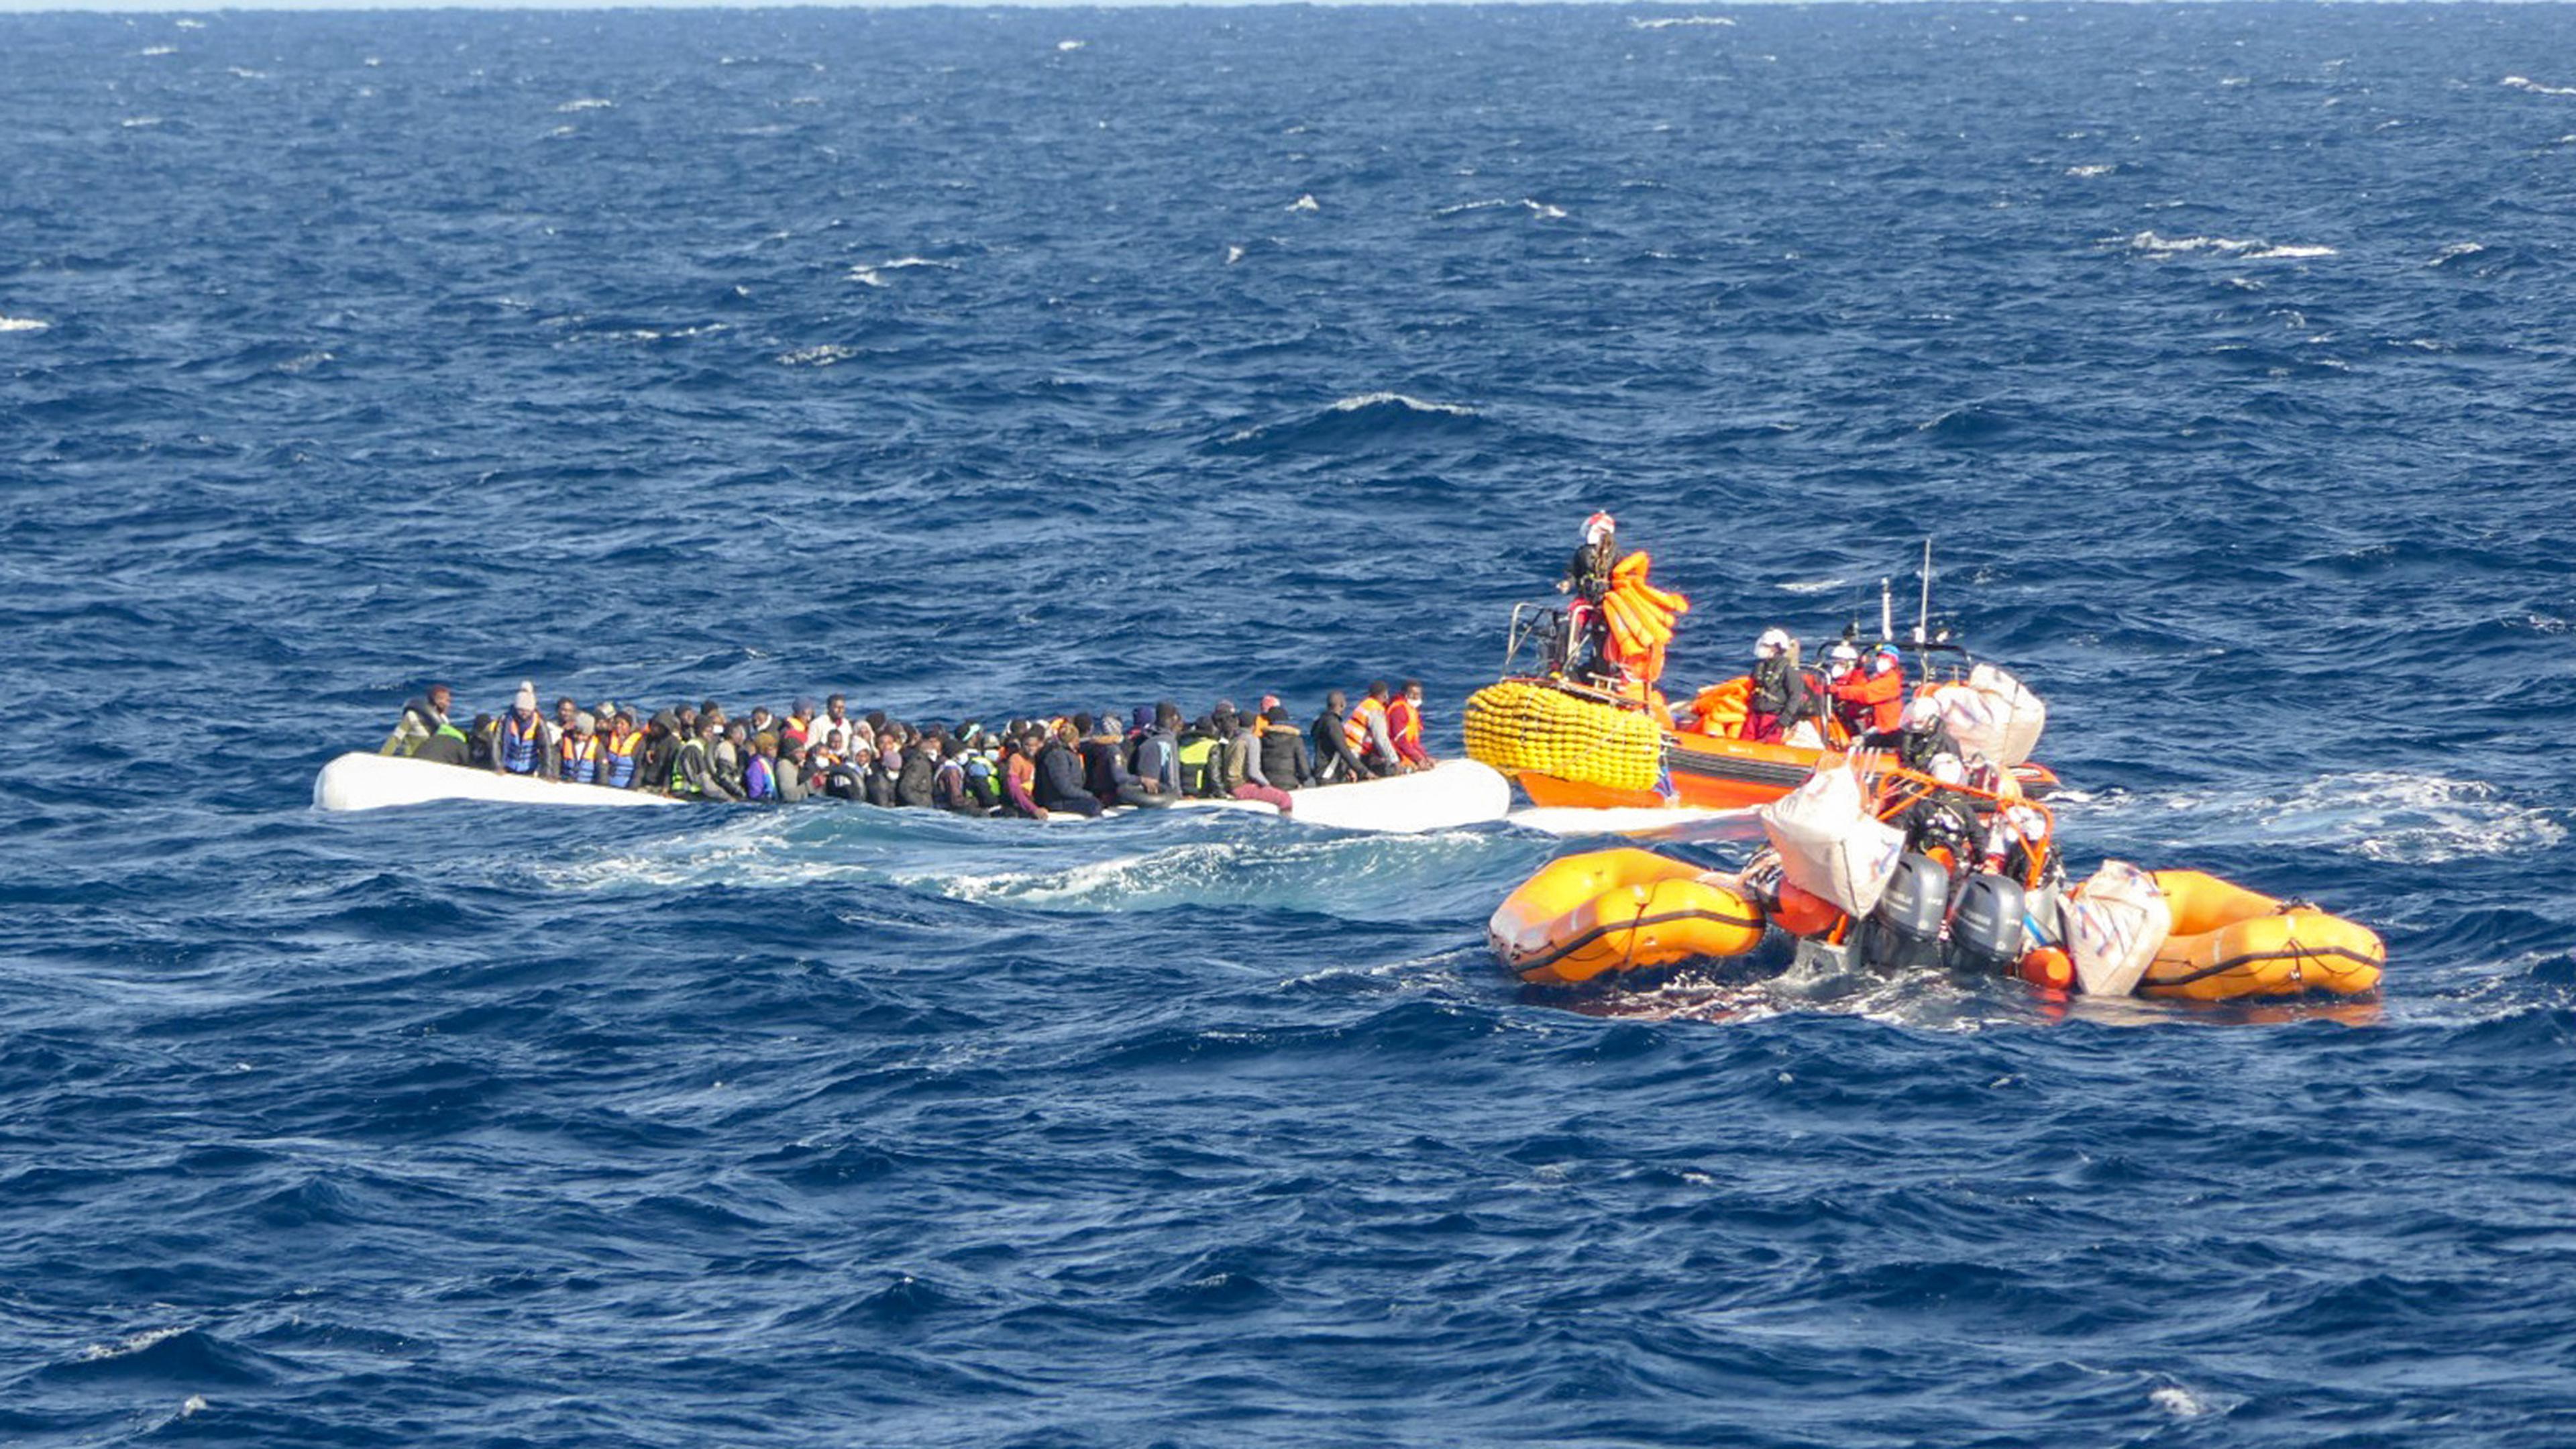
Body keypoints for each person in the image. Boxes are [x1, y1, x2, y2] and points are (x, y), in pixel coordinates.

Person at [1556, 512, 1617, 677]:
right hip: (1584, 599)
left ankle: (1603, 672)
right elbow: (1574, 573)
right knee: (1571, 627)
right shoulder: (1582, 553)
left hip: (1604, 603)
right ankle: (1565, 665)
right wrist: (1568, 583)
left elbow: (1621, 576)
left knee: (1602, 635)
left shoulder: (1615, 554)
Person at [1742, 630, 1813, 745]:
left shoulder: (1788, 671)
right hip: (1755, 716)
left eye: (1766, 646)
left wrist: (1785, 719)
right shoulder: (1760, 667)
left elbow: (1796, 696)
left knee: (1768, 747)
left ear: (1776, 648)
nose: (1762, 649)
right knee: (1745, 743)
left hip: (1773, 719)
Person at [1829, 643, 1906, 740]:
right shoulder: (1879, 677)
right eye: (1879, 658)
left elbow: (1865, 695)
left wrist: (1839, 690)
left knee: (1859, 741)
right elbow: (1858, 686)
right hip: (1875, 724)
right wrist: (1859, 669)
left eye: (1885, 658)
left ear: (1893, 662)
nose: (1881, 661)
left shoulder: (1891, 680)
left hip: (1887, 729)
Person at [1037, 720, 1103, 816]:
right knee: (1094, 805)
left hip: (1069, 798)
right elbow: (1064, 788)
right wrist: (1088, 795)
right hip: (1059, 802)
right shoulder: (1057, 756)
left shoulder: (1069, 753)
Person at [492, 682, 558, 778]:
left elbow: (546, 747)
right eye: (520, 710)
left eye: (527, 711)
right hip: (507, 767)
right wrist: (498, 765)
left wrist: (547, 771)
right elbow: (496, 743)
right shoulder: (505, 720)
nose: (524, 713)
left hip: (529, 769)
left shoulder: (539, 722)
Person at [1310, 690, 1375, 784]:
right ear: (1342, 705)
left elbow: (1335, 750)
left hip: (1322, 771)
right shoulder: (1333, 724)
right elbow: (1343, 749)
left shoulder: (1322, 721)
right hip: (1329, 775)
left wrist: (1347, 769)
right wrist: (1364, 772)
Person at [379, 684, 453, 757]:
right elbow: (395, 739)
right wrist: (382, 758)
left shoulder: (444, 721)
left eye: (448, 701)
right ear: (434, 701)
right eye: (444, 700)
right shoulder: (412, 716)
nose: (447, 704)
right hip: (411, 759)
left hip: (431, 761)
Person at [1346, 681, 1403, 775]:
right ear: (1385, 695)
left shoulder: (1365, 704)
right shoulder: (1376, 710)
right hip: (1355, 752)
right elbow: (1381, 739)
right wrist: (1394, 761)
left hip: (1348, 748)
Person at [1258, 703, 1313, 792]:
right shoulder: (1295, 740)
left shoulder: (1261, 740)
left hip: (1268, 786)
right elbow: (1305, 772)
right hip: (1291, 785)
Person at [1385, 679, 1434, 770]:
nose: (1416, 697)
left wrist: (1425, 757)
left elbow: (1413, 741)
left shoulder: (1412, 710)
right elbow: (1399, 741)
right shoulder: (1399, 710)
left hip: (1405, 752)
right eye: (1412, 693)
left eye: (1418, 694)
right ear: (1405, 694)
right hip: (1395, 754)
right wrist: (1418, 759)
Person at [1003, 731, 1049, 820]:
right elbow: (1014, 789)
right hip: (1021, 806)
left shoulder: (1039, 758)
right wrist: (1033, 809)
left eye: (1034, 745)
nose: (1031, 748)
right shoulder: (1016, 759)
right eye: (1027, 745)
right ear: (1022, 745)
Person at [600, 710, 647, 789]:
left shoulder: (639, 743)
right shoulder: (607, 738)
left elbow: (639, 769)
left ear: (630, 725)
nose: (618, 726)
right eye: (616, 723)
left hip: (626, 787)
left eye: (622, 724)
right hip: (607, 786)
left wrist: (632, 788)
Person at [557, 711, 606, 785]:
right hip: (566, 784)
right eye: (577, 733)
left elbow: (602, 770)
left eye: (584, 735)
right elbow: (555, 762)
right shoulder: (563, 742)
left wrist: (602, 786)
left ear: (590, 734)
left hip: (588, 786)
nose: (580, 738)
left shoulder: (597, 746)